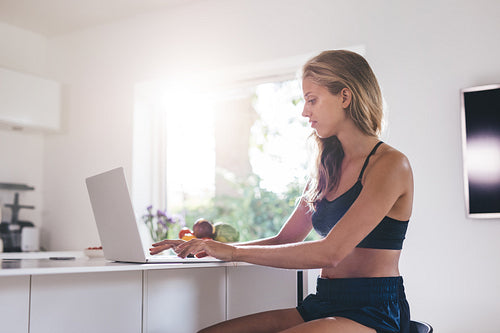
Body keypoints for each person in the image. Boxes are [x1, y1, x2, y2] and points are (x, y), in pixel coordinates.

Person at [150, 49, 413, 333]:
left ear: (345, 97)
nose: (304, 111)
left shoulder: (390, 165)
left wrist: (233, 251)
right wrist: (203, 249)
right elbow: (284, 239)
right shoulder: (327, 168)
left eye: (312, 100)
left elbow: (331, 252)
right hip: (324, 302)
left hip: (374, 312)